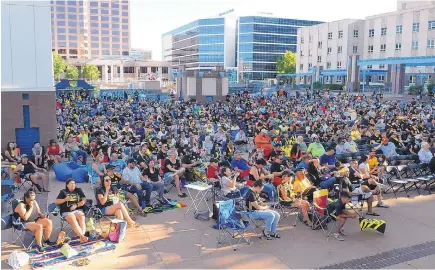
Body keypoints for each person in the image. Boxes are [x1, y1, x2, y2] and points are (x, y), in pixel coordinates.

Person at [55, 178, 88, 243]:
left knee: (81, 217)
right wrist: (64, 200)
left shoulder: (79, 190)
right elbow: (56, 202)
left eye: (74, 183)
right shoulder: (63, 192)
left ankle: (82, 236)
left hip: (77, 210)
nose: (73, 185)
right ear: (67, 185)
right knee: (73, 220)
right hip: (66, 211)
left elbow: (84, 199)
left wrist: (77, 205)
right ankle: (83, 237)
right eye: (71, 184)